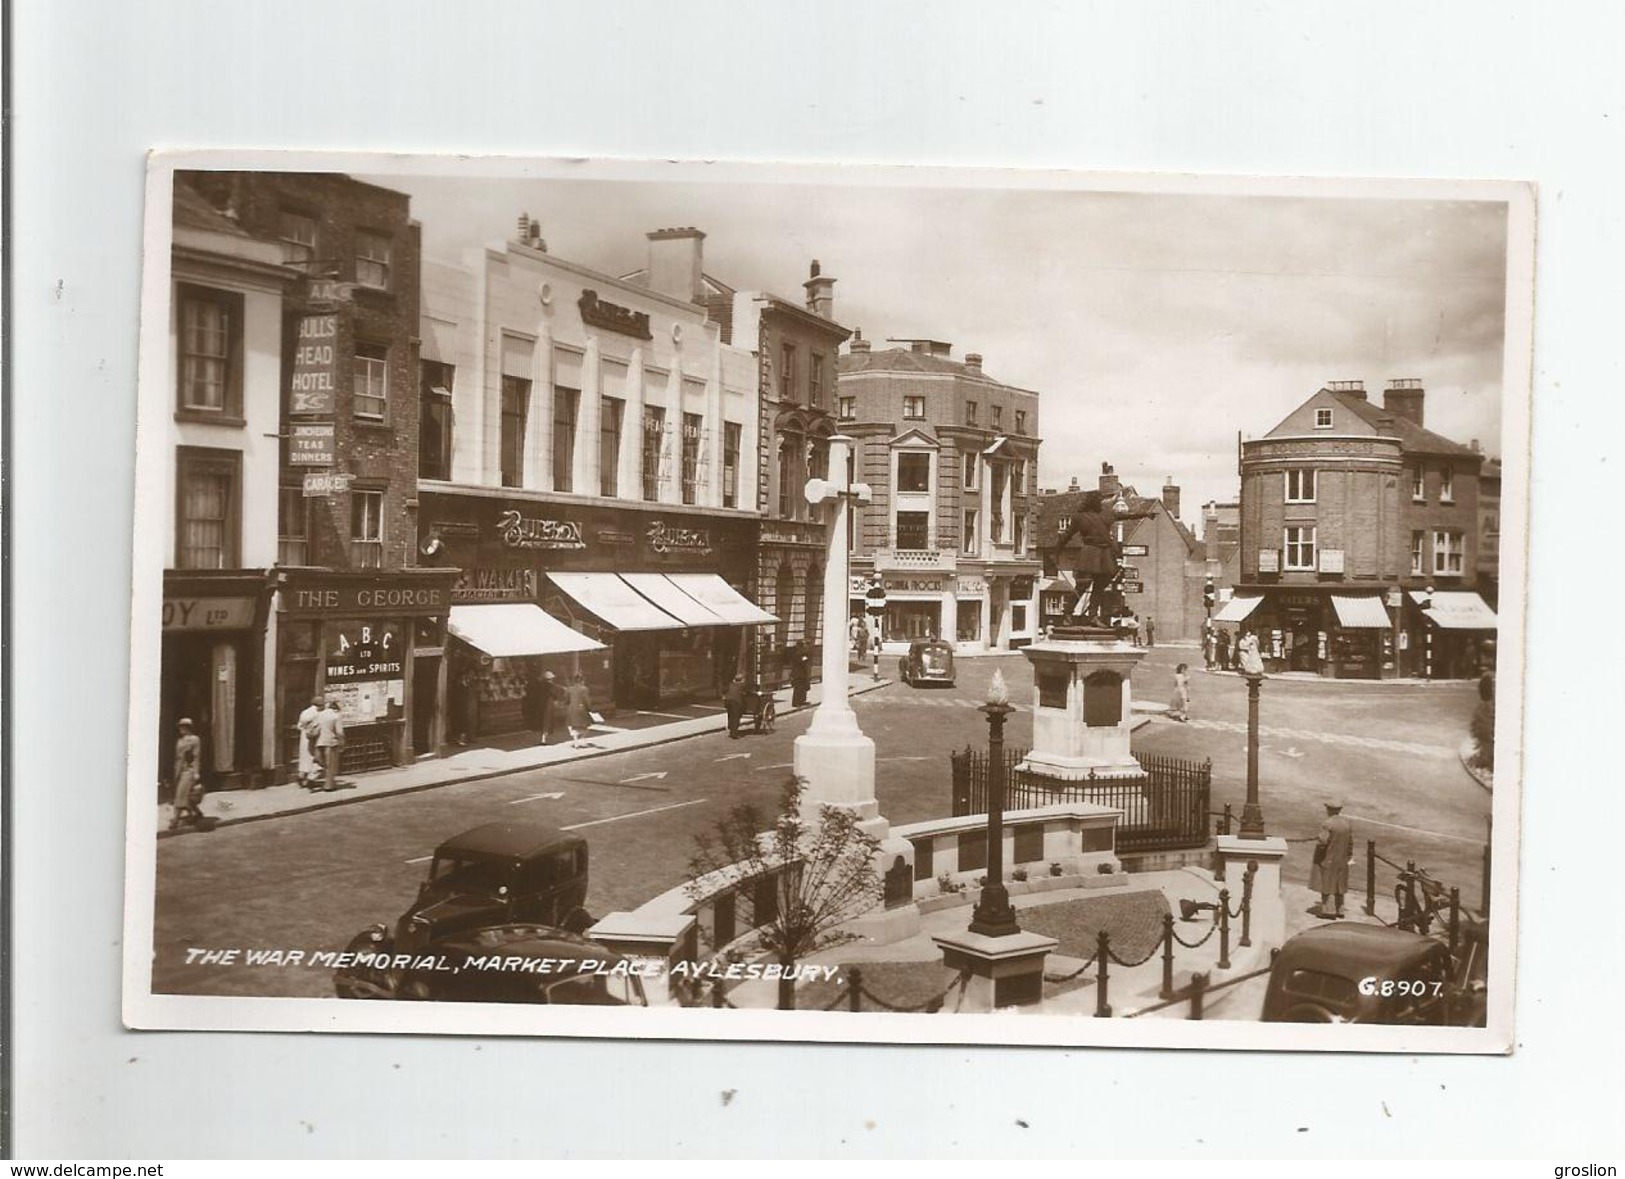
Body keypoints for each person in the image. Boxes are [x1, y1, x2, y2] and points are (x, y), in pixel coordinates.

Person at [1310, 798, 1354, 919]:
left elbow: (1323, 842)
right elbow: (1350, 843)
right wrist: (1348, 856)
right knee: (1339, 885)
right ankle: (1340, 910)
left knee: (1327, 884)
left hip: (1329, 859)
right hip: (1342, 859)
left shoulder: (1327, 824)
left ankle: (1329, 911)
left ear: (1329, 810)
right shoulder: (1346, 824)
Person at [170, 718, 204, 830]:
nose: (181, 729)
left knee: (180, 795)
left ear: (189, 727)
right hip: (178, 770)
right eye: (180, 726)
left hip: (188, 771)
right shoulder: (180, 740)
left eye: (184, 726)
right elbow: (177, 757)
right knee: (186, 796)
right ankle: (197, 813)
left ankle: (175, 820)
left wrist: (196, 772)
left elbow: (196, 756)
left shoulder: (195, 739)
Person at [315, 696, 345, 792]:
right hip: (331, 742)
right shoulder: (336, 716)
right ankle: (329, 785)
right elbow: (339, 732)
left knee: (323, 763)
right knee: (331, 764)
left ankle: (318, 780)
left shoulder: (321, 714)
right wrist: (342, 742)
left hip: (320, 742)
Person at [296, 694, 323, 788]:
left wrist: (305, 729)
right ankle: (310, 780)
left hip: (304, 737)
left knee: (304, 758)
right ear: (319, 705)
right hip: (314, 739)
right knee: (314, 759)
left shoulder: (304, 712)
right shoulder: (317, 714)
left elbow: (299, 726)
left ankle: (300, 777)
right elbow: (320, 727)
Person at [564, 673, 593, 748]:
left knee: (573, 726)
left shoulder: (569, 689)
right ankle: (582, 739)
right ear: (582, 681)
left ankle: (576, 742)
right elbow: (587, 700)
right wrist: (590, 708)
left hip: (571, 710)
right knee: (586, 726)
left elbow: (566, 701)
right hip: (581, 710)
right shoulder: (584, 689)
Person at [534, 669, 559, 744]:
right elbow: (554, 695)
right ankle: (544, 739)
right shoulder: (551, 686)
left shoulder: (539, 686)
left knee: (541, 721)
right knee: (547, 721)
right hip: (548, 705)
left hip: (540, 705)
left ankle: (542, 737)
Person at [723, 674, 747, 738]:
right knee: (736, 717)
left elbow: (725, 691)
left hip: (728, 701)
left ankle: (731, 730)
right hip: (735, 702)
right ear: (741, 680)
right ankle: (734, 733)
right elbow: (745, 693)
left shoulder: (730, 684)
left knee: (730, 716)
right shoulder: (741, 686)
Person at [788, 643, 811, 708]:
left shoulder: (800, 654)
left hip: (800, 674)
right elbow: (803, 663)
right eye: (802, 647)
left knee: (802, 688)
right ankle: (796, 702)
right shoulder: (798, 655)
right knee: (798, 689)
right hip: (799, 675)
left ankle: (801, 701)